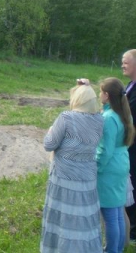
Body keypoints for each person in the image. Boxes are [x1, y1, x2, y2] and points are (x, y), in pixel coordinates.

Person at [40, 81, 104, 253]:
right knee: (83, 220)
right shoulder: (100, 119)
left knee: (62, 219)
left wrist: (51, 129)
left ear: (76, 99)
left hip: (64, 177)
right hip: (87, 178)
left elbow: (49, 144)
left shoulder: (66, 117)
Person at [97, 77, 135, 253]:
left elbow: (105, 150)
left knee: (110, 215)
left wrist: (96, 167)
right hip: (121, 163)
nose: (99, 95)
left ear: (106, 95)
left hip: (109, 169)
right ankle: (118, 248)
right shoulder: (122, 113)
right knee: (118, 211)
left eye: (100, 92)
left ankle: (111, 250)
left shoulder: (109, 118)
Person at [122, 49, 136, 242]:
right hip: (129, 143)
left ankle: (133, 230)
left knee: (133, 184)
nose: (122, 65)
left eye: (125, 62)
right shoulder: (130, 84)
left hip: (133, 144)